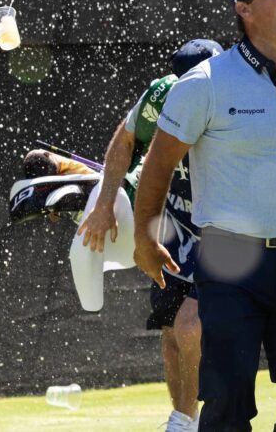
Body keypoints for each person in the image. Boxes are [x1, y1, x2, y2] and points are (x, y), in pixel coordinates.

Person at [133, 0, 276, 432]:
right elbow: (159, 164)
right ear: (244, 8)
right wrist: (145, 239)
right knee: (226, 404)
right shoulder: (203, 83)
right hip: (230, 260)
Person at [74, 38, 223, 432]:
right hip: (170, 230)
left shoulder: (238, 103)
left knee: (191, 325)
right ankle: (183, 422)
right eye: (184, 82)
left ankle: (188, 420)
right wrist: (106, 203)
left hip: (226, 234)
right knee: (172, 332)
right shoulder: (161, 95)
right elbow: (124, 141)